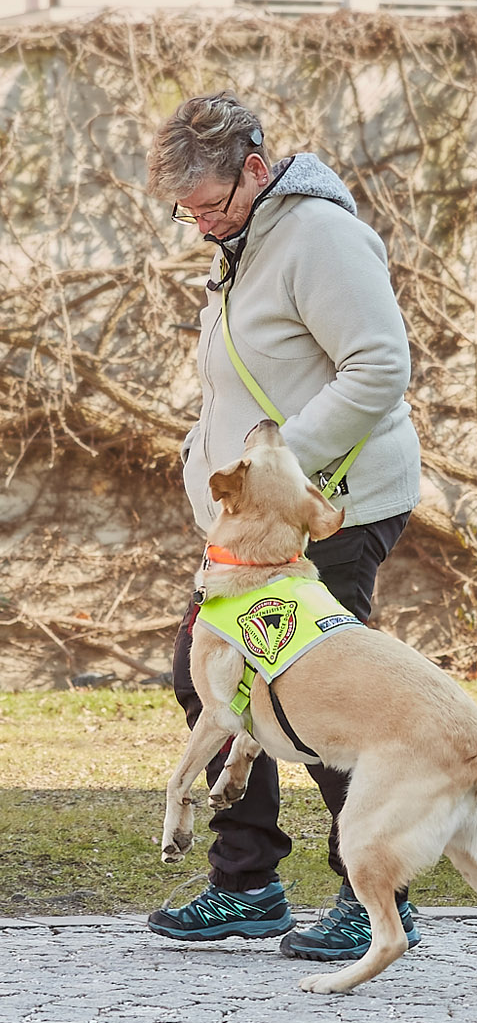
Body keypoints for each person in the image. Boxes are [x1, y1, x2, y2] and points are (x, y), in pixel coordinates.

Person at [143, 92, 424, 963]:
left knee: (316, 697)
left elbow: (380, 363)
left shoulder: (317, 237)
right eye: (186, 213)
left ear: (256, 170)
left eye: (211, 205)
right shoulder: (242, 245)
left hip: (325, 510)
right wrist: (208, 465)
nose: (199, 227)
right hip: (254, 526)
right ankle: (249, 883)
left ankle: (380, 895)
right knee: (208, 676)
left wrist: (281, 471)